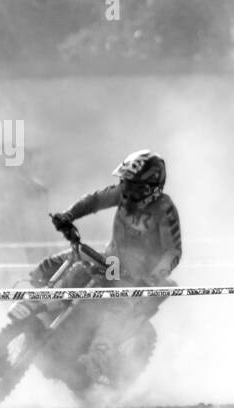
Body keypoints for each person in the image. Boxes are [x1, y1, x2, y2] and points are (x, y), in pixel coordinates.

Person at [11, 150, 182, 383]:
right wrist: (69, 215)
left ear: (153, 187)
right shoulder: (123, 194)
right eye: (125, 184)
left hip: (136, 276)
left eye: (134, 187)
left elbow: (172, 251)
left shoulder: (164, 209)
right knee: (55, 265)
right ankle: (36, 303)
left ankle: (93, 363)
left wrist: (152, 278)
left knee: (114, 311)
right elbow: (94, 201)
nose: (127, 191)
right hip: (111, 260)